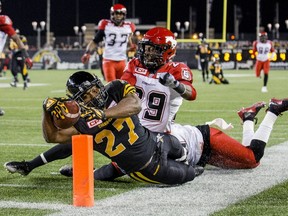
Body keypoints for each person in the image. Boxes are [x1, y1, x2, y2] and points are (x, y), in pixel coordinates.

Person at [4, 27, 197, 177]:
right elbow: (59, 138)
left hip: (154, 135)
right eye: (146, 48)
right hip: (132, 131)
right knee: (88, 139)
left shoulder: (173, 71)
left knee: (119, 162)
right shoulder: (131, 69)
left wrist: (103, 114)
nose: (147, 53)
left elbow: (137, 104)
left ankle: (186, 165)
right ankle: (33, 165)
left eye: (153, 49)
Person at [81, 3, 136, 82]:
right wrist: (87, 52)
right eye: (116, 13)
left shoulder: (129, 26)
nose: (118, 16)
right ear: (112, 14)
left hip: (122, 61)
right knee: (111, 86)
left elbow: (129, 37)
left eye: (120, 14)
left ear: (124, 15)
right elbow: (95, 41)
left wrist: (131, 45)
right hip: (109, 60)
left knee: (123, 86)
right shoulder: (106, 25)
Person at [0, 0, 33, 115]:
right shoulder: (3, 20)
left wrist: (26, 56)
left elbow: (17, 39)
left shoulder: (2, 21)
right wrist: (27, 57)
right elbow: (16, 39)